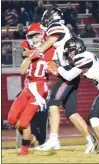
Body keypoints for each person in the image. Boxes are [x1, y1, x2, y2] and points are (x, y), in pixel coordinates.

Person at [24, 7, 99, 153]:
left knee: (52, 103)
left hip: (69, 74)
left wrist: (32, 53)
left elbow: (45, 47)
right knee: (71, 113)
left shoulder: (56, 27)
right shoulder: (60, 28)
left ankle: (53, 139)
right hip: (70, 73)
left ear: (49, 18)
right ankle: (92, 141)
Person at [7, 22, 57, 156]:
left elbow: (56, 68)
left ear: (42, 35)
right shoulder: (28, 49)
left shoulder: (51, 50)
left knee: (24, 121)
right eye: (31, 37)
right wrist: (30, 57)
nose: (34, 39)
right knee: (12, 118)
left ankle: (25, 148)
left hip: (40, 89)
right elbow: (22, 70)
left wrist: (54, 68)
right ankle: (30, 138)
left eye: (36, 36)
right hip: (28, 87)